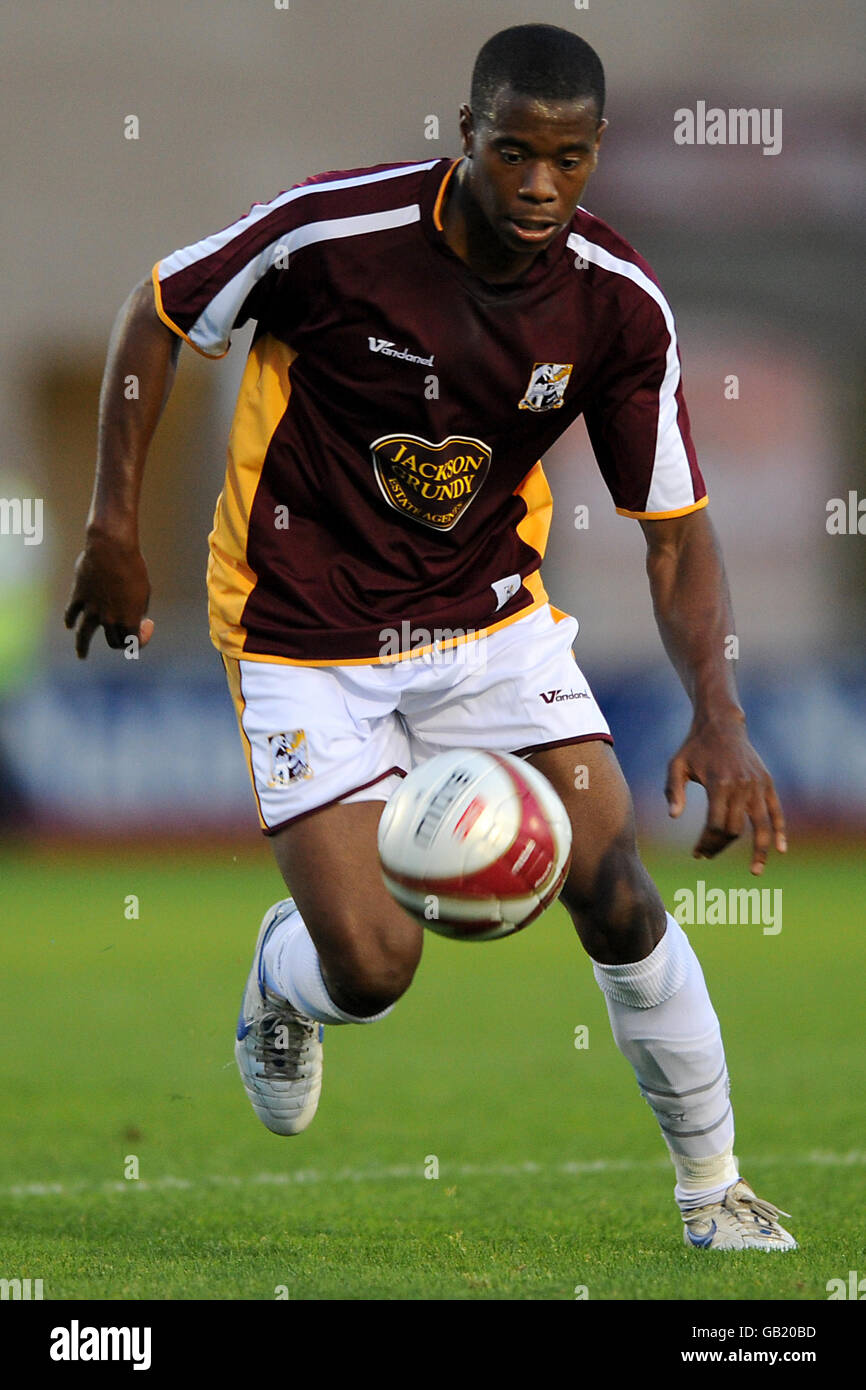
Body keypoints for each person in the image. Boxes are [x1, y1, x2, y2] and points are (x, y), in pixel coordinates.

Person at [65, 23, 795, 1250]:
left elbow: (673, 530)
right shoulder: (329, 236)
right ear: (466, 135)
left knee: (613, 887)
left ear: (595, 152)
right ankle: (281, 982)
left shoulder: (616, 305)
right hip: (299, 629)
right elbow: (156, 313)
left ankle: (711, 1188)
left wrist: (718, 715)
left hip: (486, 623)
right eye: (513, 152)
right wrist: (111, 523)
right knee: (374, 967)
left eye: (567, 160)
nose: (539, 186)